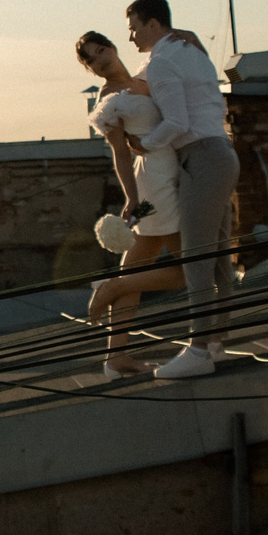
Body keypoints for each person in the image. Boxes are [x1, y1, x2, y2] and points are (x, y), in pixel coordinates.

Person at [124, 0, 239, 377]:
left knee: (196, 258)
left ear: (153, 23)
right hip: (220, 154)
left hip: (202, 158)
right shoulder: (189, 51)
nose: (131, 36)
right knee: (218, 257)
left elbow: (176, 122)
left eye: (134, 28)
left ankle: (199, 351)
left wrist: (143, 144)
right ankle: (216, 342)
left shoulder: (162, 62)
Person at [77, 31, 186, 374]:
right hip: (154, 182)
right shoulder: (109, 97)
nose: (100, 60)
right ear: (88, 68)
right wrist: (132, 197)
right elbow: (120, 154)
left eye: (101, 51)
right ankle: (114, 287)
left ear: (112, 47)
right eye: (91, 60)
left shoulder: (144, 77)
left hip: (171, 172)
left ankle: (116, 356)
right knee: (191, 271)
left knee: (136, 268)